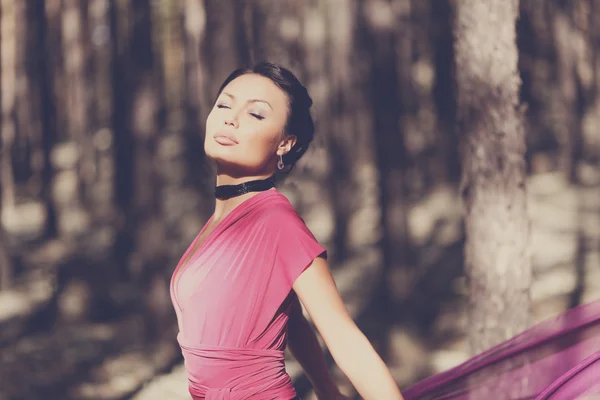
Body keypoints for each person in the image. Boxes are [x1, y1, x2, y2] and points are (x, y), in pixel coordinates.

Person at [170, 61, 404, 400]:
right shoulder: (219, 222)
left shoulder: (275, 220)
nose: (230, 118)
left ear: (285, 143)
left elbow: (343, 336)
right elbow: (287, 315)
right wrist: (326, 389)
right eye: (224, 104)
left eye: (257, 114)